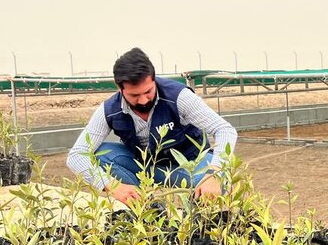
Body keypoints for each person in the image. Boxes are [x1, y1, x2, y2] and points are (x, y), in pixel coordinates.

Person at [66, 47, 237, 204]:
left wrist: (214, 173)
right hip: (146, 168)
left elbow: (224, 130)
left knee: (219, 180)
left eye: (148, 92)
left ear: (154, 80)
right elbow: (76, 156)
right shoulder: (109, 110)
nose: (142, 100)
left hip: (189, 167)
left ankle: (195, 224)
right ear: (120, 88)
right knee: (101, 154)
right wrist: (110, 185)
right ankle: (147, 208)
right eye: (134, 95)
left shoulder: (178, 97)